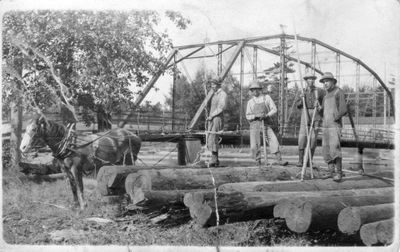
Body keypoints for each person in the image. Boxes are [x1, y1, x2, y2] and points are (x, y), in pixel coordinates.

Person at [246, 80, 288, 166]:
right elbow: (247, 115)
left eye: (257, 89)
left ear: (260, 89)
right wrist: (255, 116)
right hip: (254, 124)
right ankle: (257, 161)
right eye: (253, 90)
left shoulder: (266, 98)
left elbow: (274, 109)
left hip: (265, 123)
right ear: (251, 91)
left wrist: (267, 115)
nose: (255, 91)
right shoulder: (250, 102)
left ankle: (279, 159)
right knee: (254, 144)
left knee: (273, 139)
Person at [318, 72, 347, 182]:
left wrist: (336, 118)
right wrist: (320, 109)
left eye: (327, 81)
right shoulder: (325, 97)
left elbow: (343, 109)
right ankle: (331, 172)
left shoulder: (338, 92)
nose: (325, 84)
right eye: (323, 82)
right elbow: (322, 114)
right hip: (325, 125)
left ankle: (339, 173)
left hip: (334, 125)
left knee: (335, 148)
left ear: (333, 82)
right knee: (326, 149)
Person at [296, 74, 325, 167]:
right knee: (302, 137)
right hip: (305, 113)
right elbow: (298, 105)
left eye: (312, 79)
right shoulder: (303, 91)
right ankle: (300, 161)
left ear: (314, 81)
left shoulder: (320, 91)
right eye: (309, 79)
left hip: (316, 115)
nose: (311, 81)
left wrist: (320, 105)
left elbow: (325, 103)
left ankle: (309, 160)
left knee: (313, 139)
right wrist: (301, 99)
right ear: (306, 81)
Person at [206, 79, 227, 167]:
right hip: (212, 118)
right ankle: (215, 159)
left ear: (218, 85)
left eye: (213, 85)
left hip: (217, 118)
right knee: (210, 137)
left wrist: (212, 115)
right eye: (211, 85)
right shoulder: (214, 95)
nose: (212, 86)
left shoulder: (223, 94)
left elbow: (221, 108)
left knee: (214, 137)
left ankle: (214, 159)